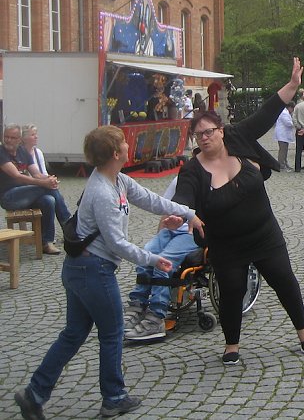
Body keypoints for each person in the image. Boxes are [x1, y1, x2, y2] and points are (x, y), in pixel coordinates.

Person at [14, 125, 203, 419]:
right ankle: (113, 397)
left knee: (74, 333)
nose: (129, 147)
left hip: (84, 270)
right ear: (115, 153)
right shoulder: (102, 191)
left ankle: (34, 394)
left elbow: (151, 200)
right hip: (93, 271)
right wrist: (155, 260)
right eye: (124, 145)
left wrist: (188, 212)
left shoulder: (117, 179)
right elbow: (116, 243)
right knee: (113, 332)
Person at [173, 58, 304, 364]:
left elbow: (266, 112)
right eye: (199, 135)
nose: (205, 138)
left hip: (264, 234)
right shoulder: (192, 169)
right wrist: (183, 214)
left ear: (221, 131)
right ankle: (231, 344)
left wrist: (292, 84)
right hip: (226, 244)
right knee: (231, 290)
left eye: (209, 131)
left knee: (284, 280)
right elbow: (184, 196)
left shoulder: (238, 135)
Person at [124, 177, 200, 341]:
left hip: (193, 234)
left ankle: (156, 317)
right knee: (147, 255)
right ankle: (138, 305)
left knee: (162, 263)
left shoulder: (215, 177)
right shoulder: (180, 178)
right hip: (172, 229)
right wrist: (160, 235)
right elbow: (166, 209)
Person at [0, 123, 71, 255]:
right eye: (6, 137)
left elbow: (37, 174)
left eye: (12, 138)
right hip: (9, 197)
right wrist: (44, 183)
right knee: (47, 189)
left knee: (49, 200)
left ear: (19, 139)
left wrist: (50, 178)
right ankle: (69, 227)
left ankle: (47, 242)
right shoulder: (1, 152)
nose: (8, 140)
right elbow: (16, 176)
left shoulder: (23, 152)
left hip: (26, 196)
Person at [275, 101, 296, 172]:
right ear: (290, 107)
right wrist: (295, 123)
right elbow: (288, 123)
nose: (293, 111)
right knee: (282, 150)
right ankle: (281, 165)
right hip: (282, 135)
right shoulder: (284, 113)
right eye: (293, 109)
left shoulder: (285, 112)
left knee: (285, 150)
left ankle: (285, 163)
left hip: (284, 135)